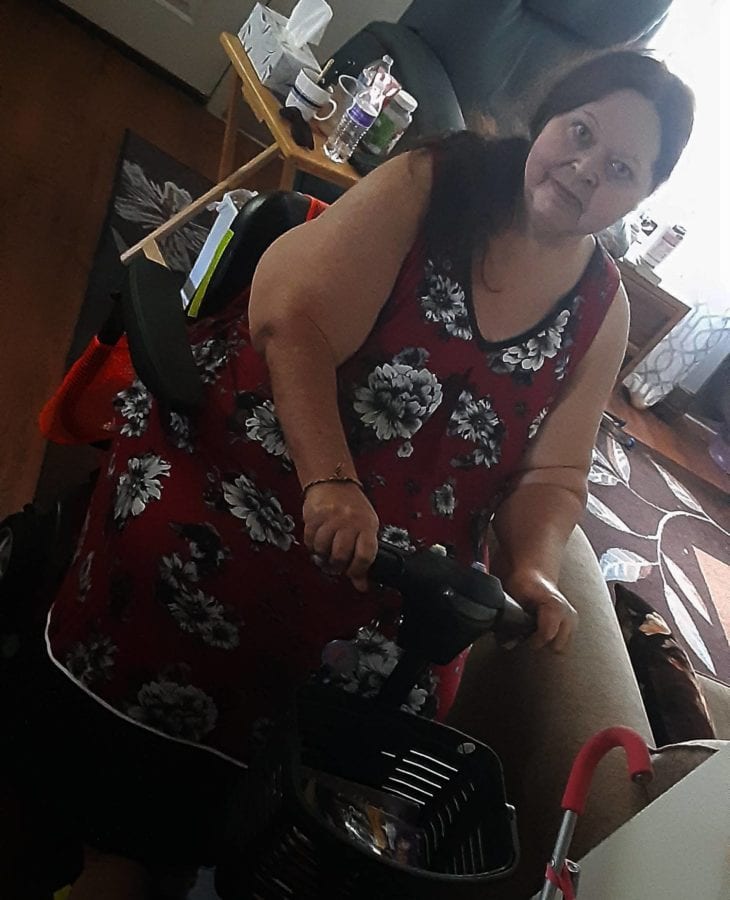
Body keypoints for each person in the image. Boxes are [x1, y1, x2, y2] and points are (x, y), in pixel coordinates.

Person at [16, 49, 694, 899]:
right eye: (581, 132)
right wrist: (330, 482)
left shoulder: (604, 306)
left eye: (621, 168)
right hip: (269, 451)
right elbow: (293, 321)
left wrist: (530, 569)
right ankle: (106, 822)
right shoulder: (432, 182)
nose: (586, 168)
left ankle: (237, 835)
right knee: (198, 571)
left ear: (641, 198)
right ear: (548, 121)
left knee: (408, 686)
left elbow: (554, 472)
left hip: (406, 547)